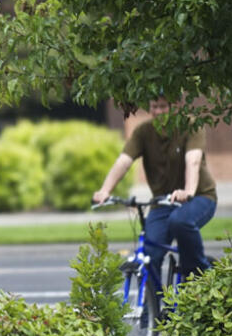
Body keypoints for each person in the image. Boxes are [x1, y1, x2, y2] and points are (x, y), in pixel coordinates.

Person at [92, 95, 217, 280]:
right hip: (163, 202)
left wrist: (188, 191)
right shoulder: (144, 132)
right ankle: (150, 307)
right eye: (154, 106)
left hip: (199, 197)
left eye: (163, 106)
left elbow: (193, 160)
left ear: (176, 106)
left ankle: (199, 275)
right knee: (150, 255)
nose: (158, 111)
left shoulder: (191, 125)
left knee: (180, 221)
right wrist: (105, 190)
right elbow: (124, 162)